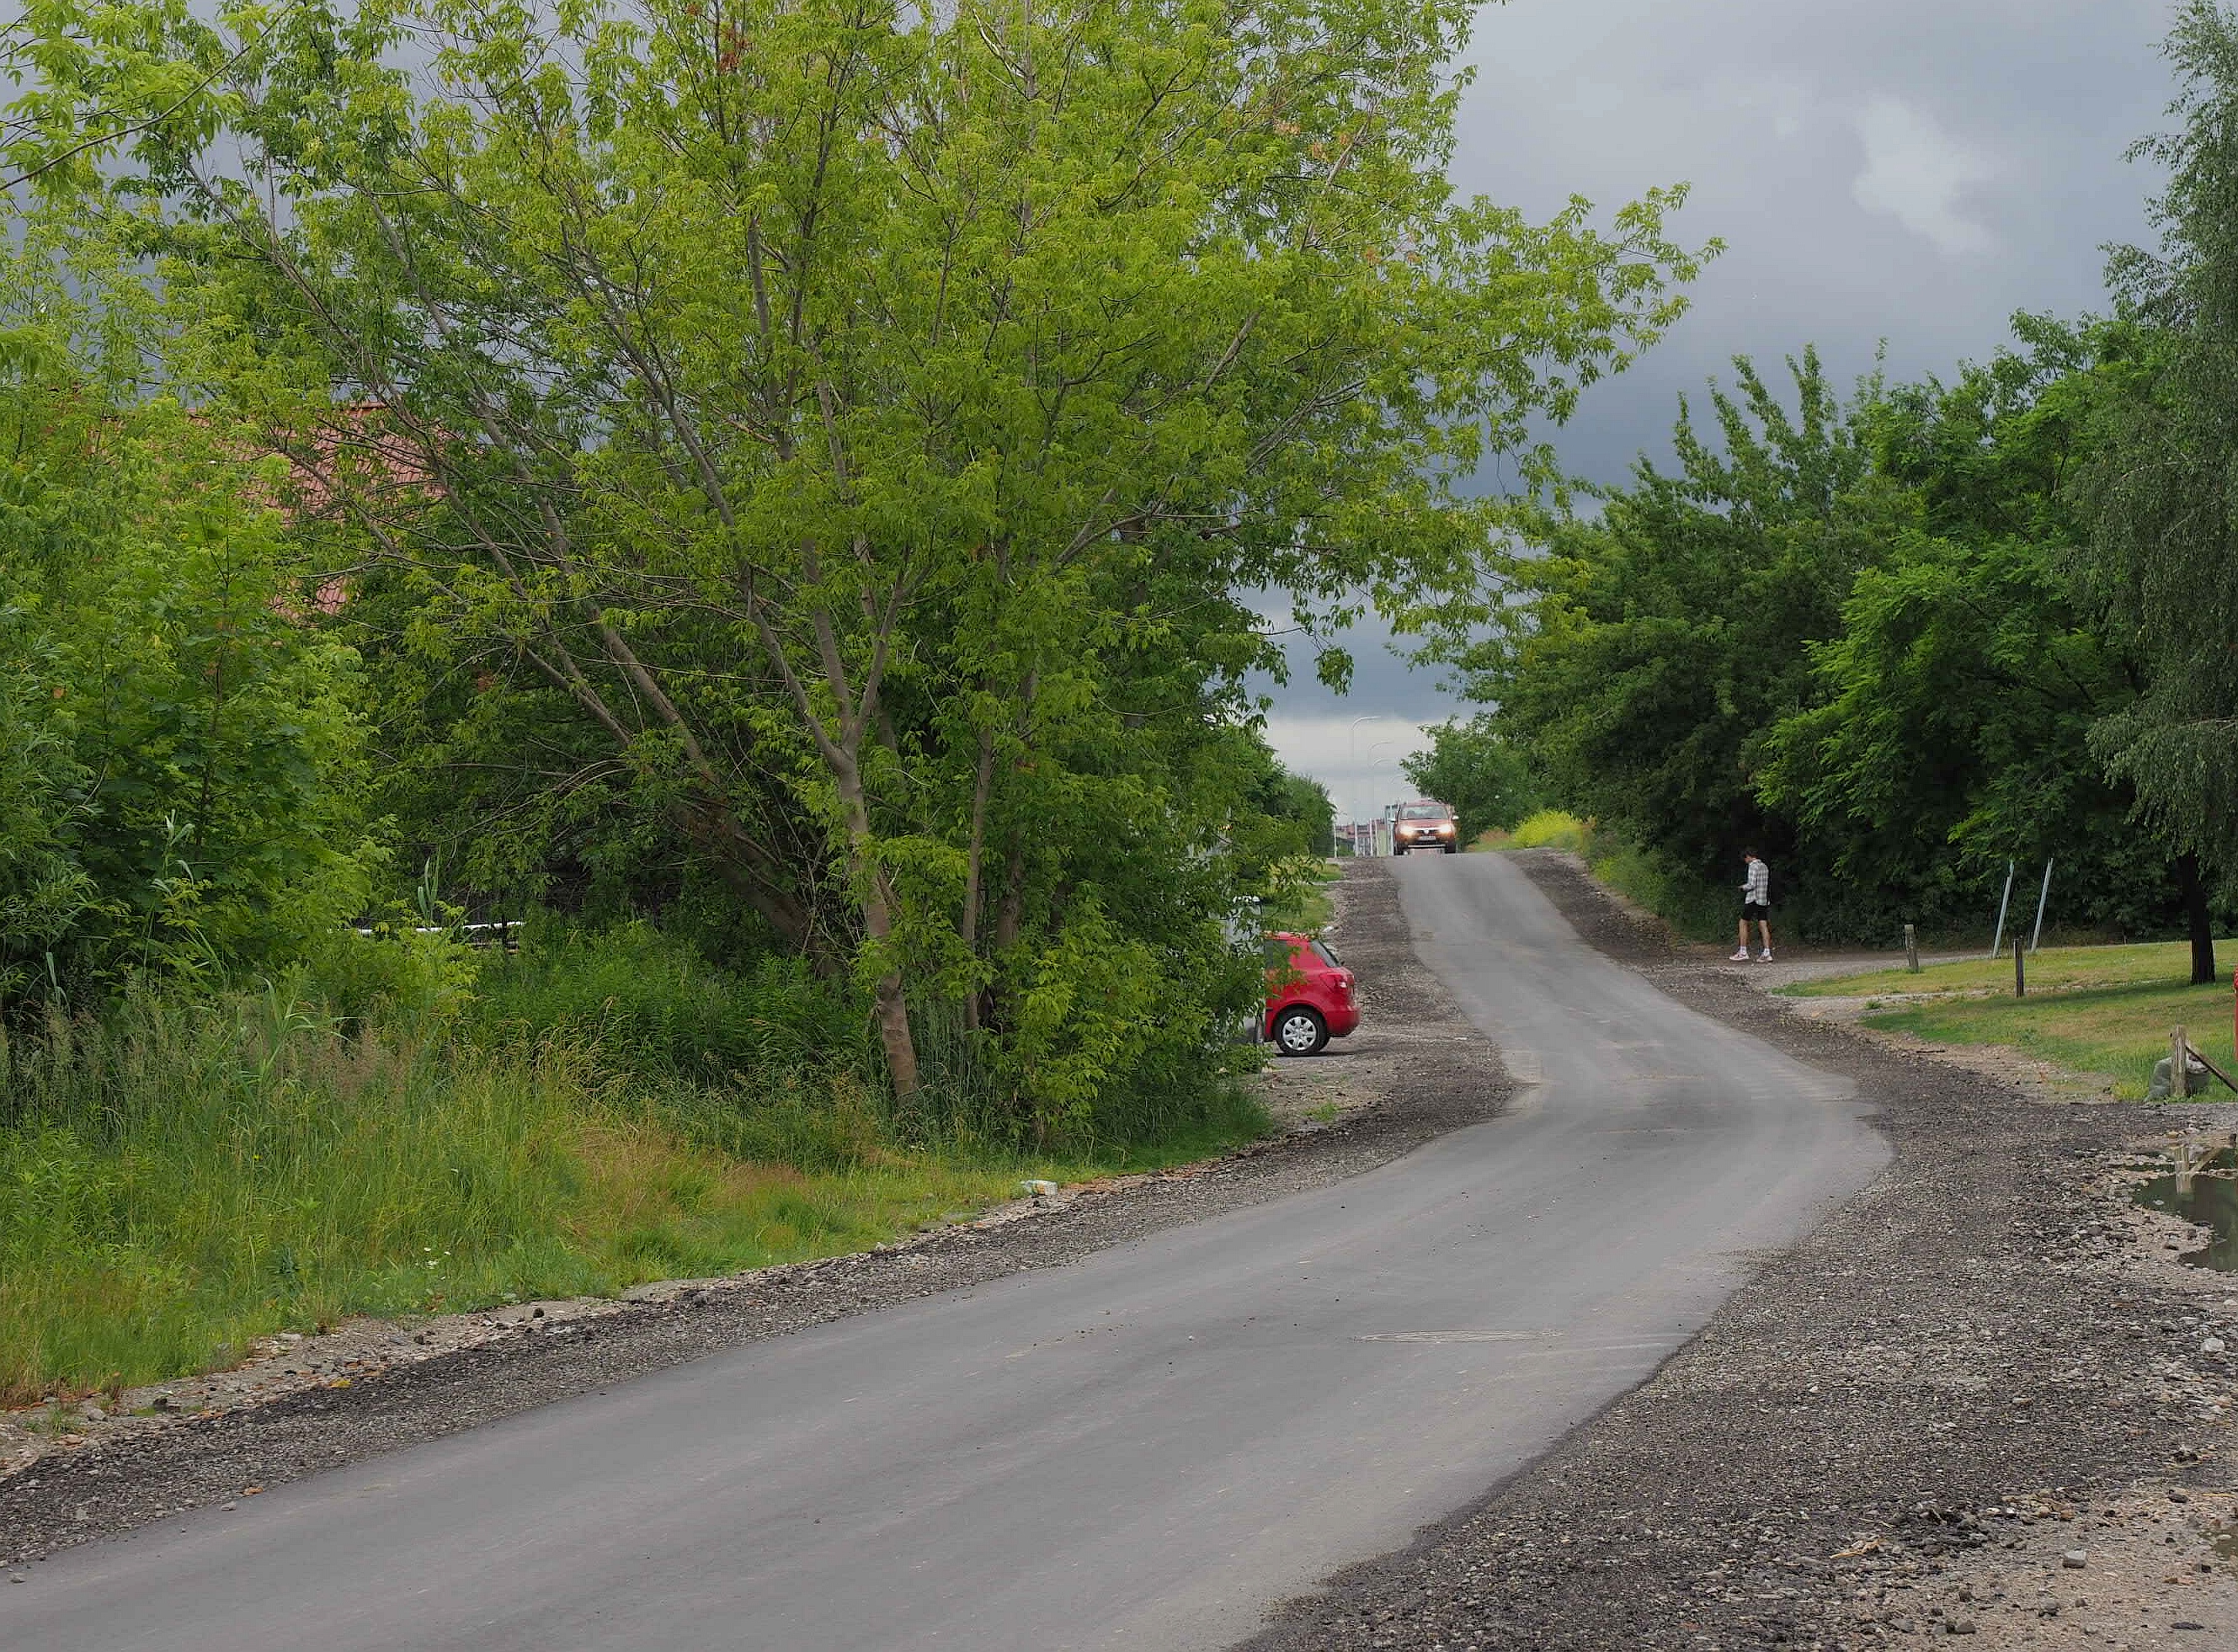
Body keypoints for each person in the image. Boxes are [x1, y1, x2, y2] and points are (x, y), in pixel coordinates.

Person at [1731, 850, 1772, 962]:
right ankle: (1767, 953)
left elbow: (1752, 884)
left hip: (1753, 899)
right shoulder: (1764, 866)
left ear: (1749, 857)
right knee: (1763, 924)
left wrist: (1742, 888)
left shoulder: (1753, 866)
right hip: (1763, 899)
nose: (1745, 861)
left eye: (1745, 859)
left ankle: (1743, 952)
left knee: (1743, 922)